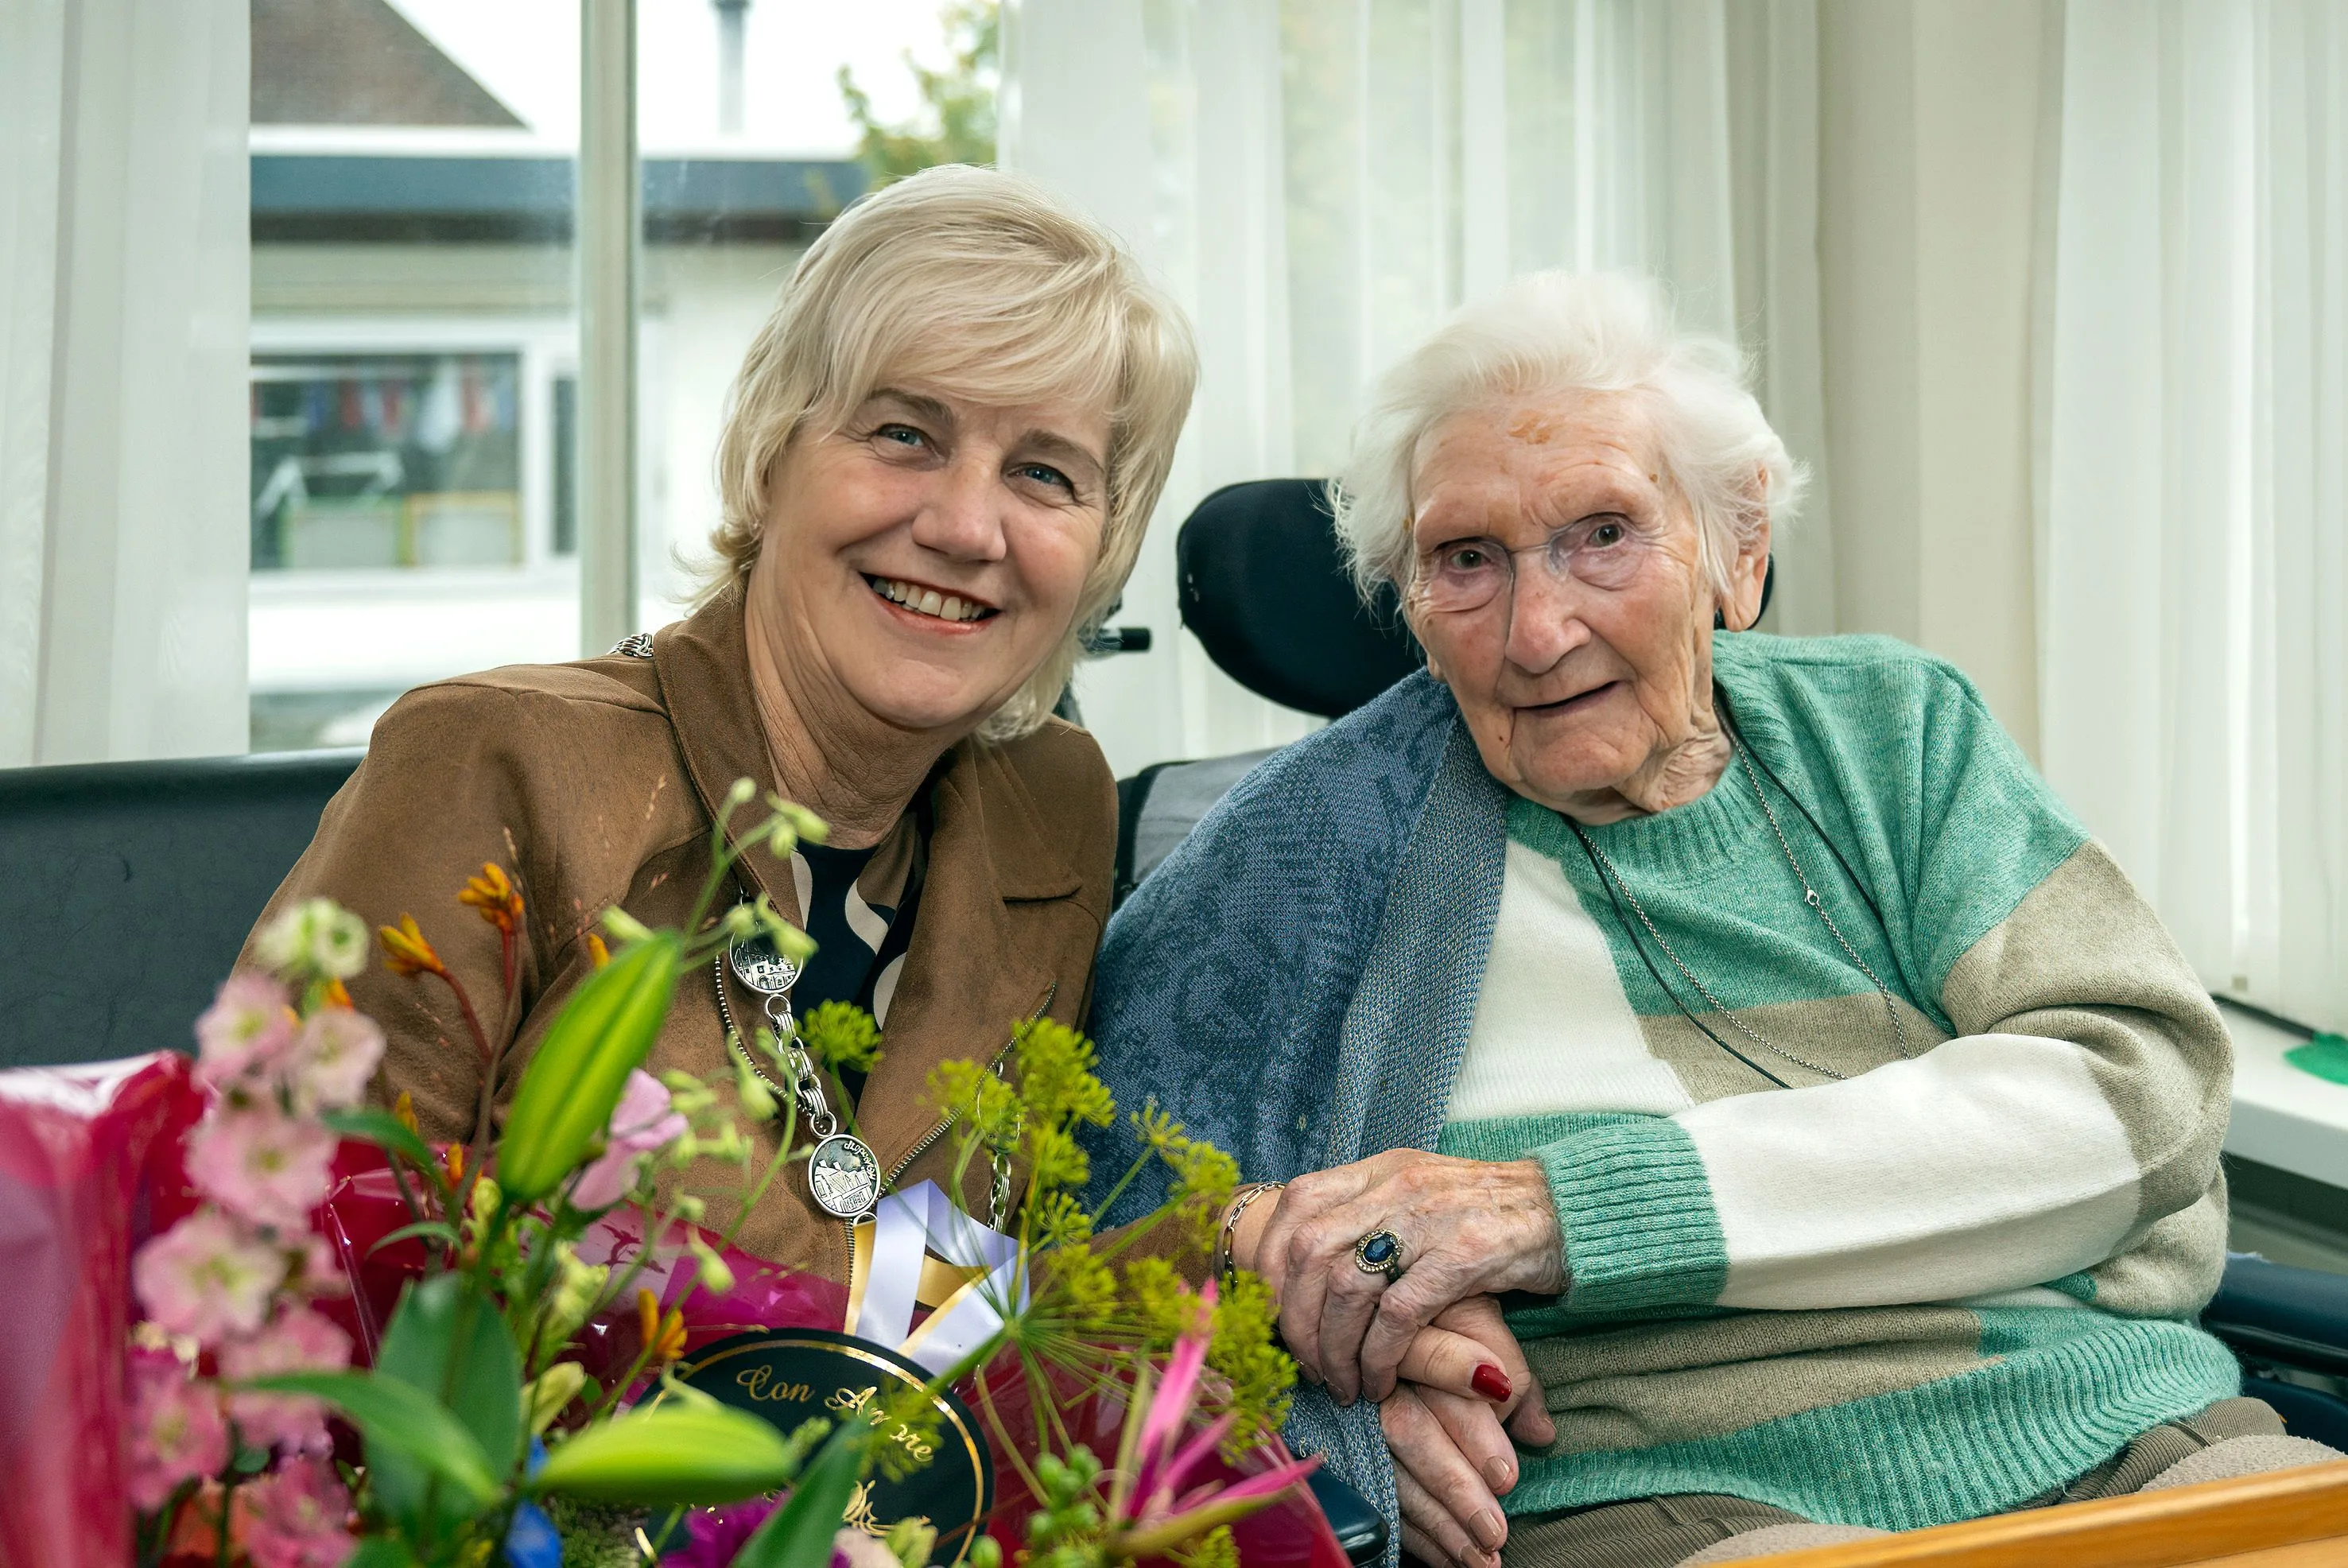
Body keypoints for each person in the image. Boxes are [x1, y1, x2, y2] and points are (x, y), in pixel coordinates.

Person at [1087, 270, 2338, 1568]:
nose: (1539, 628)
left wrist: (1556, 1212)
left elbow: (2144, 1090)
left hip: (2123, 1427)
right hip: (1667, 1493)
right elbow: (1101, 1216)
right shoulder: (1299, 854)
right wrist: (1325, 1381)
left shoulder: (1891, 732)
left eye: (1604, 535)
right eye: (1467, 561)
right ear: (1410, 602)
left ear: (1738, 550)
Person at [246, 165, 1197, 1277]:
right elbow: (263, 1251)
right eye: (904, 435)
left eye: (1044, 472)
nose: (966, 526)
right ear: (771, 447)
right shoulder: (492, 763)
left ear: (1102, 547)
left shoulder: (1053, 803)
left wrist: (1244, 1245)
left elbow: (975, 1314)